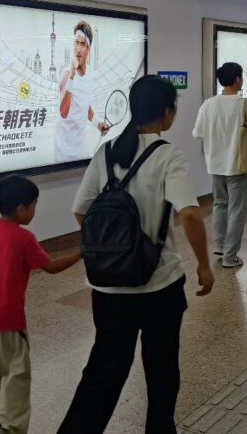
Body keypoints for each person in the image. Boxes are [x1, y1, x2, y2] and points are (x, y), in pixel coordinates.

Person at [59, 76, 212, 434]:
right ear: (168, 113)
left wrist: (114, 248)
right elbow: (190, 214)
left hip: (108, 288)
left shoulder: (106, 152)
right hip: (160, 284)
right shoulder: (169, 155)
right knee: (162, 369)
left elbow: (81, 211)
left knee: (103, 371)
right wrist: (205, 265)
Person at [0, 175, 82, 434]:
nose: (34, 210)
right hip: (7, 318)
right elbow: (50, 267)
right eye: (34, 205)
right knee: (17, 374)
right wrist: (81, 253)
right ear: (21, 209)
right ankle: (10, 426)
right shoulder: (24, 238)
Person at [193, 62, 247, 268]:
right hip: (238, 166)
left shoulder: (208, 104)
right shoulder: (246, 105)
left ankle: (221, 245)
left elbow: (197, 133)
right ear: (237, 79)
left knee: (220, 204)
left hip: (215, 165)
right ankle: (230, 256)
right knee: (237, 211)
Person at [54, 20, 107, 162]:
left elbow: (83, 105)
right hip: (63, 152)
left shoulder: (90, 72)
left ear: (89, 48)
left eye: (82, 44)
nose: (78, 48)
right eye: (76, 43)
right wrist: (72, 75)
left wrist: (98, 124)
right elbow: (63, 112)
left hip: (80, 150)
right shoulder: (67, 75)